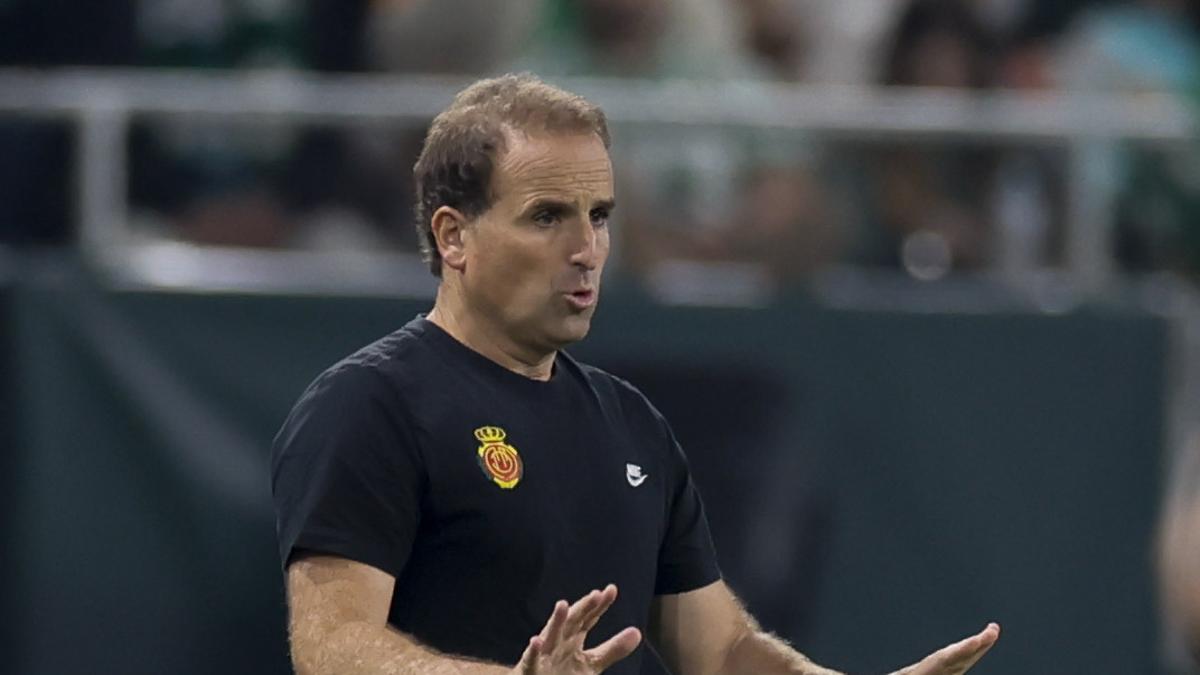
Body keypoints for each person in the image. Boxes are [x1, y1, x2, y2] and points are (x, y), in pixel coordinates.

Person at [270, 73, 1001, 674]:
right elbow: (331, 646)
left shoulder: (631, 425)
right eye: (548, 216)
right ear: (454, 235)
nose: (587, 248)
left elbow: (722, 649)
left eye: (600, 214)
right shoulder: (369, 404)